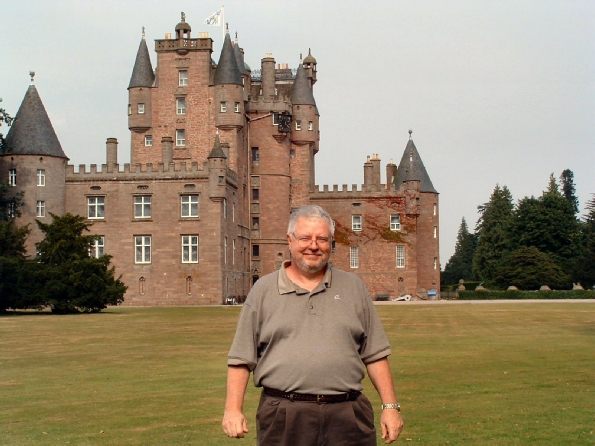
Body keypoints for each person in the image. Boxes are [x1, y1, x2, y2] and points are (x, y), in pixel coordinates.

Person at [222, 205, 403, 445]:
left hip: (348, 415)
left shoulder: (353, 287)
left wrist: (391, 407)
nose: (313, 246)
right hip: (284, 414)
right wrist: (232, 409)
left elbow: (375, 354)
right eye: (305, 238)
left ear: (331, 243)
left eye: (322, 239)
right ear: (290, 240)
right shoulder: (263, 291)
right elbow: (241, 359)